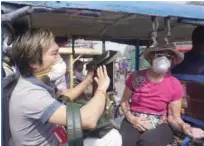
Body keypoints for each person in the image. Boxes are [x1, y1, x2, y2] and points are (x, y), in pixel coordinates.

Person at [10, 28, 122, 146]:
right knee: (112, 137)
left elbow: (63, 98)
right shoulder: (31, 94)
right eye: (54, 53)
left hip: (59, 140)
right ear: (33, 62)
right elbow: (88, 120)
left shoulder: (36, 81)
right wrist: (102, 89)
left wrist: (88, 80)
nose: (60, 58)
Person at [119, 44, 204, 146]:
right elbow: (124, 101)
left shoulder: (175, 84)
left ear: (172, 61)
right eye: (158, 55)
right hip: (133, 118)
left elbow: (174, 117)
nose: (163, 58)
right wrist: (131, 118)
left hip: (160, 123)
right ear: (151, 58)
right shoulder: (135, 76)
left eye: (168, 56)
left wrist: (186, 127)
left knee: (148, 143)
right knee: (125, 142)